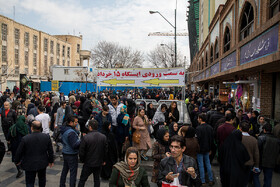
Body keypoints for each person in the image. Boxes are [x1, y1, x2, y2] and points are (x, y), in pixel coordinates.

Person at [15, 121, 54, 187]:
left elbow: (19, 151)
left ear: (31, 128)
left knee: (30, 181)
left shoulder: (25, 138)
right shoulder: (46, 137)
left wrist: (17, 160)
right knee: (42, 179)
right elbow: (50, 150)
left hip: (29, 163)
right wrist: (51, 161)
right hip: (42, 162)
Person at [78, 119, 107, 187]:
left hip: (88, 162)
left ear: (90, 127)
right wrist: (104, 160)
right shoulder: (103, 137)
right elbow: (105, 150)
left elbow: (81, 151)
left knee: (82, 180)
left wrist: (82, 160)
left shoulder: (86, 137)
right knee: (97, 180)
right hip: (98, 162)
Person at [59, 116, 80, 187]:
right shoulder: (71, 133)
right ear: (71, 123)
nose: (77, 123)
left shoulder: (64, 129)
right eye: (76, 122)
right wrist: (81, 141)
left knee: (65, 170)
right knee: (73, 173)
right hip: (71, 154)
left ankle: (62, 184)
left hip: (65, 152)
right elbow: (75, 145)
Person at [196, 113, 214, 186]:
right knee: (208, 164)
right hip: (207, 148)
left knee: (201, 165)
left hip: (200, 149)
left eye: (198, 118)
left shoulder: (198, 128)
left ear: (200, 119)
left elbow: (198, 140)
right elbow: (211, 139)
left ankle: (203, 180)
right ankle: (211, 179)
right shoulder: (210, 127)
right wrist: (210, 148)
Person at [239, 121, 260, 187]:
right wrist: (256, 165)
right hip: (250, 163)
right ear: (249, 129)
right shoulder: (254, 140)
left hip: (239, 162)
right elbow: (256, 154)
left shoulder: (238, 138)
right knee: (246, 179)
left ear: (240, 128)